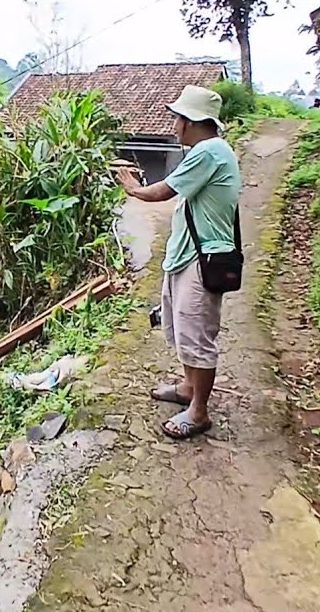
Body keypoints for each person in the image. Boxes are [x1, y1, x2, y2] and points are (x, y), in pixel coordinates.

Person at [116, 85, 241, 440]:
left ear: (191, 122)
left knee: (197, 333)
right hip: (189, 254)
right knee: (183, 327)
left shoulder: (208, 152)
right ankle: (188, 388)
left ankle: (198, 412)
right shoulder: (210, 151)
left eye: (177, 117)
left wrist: (131, 187)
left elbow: (164, 191)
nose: (173, 123)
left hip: (203, 259)